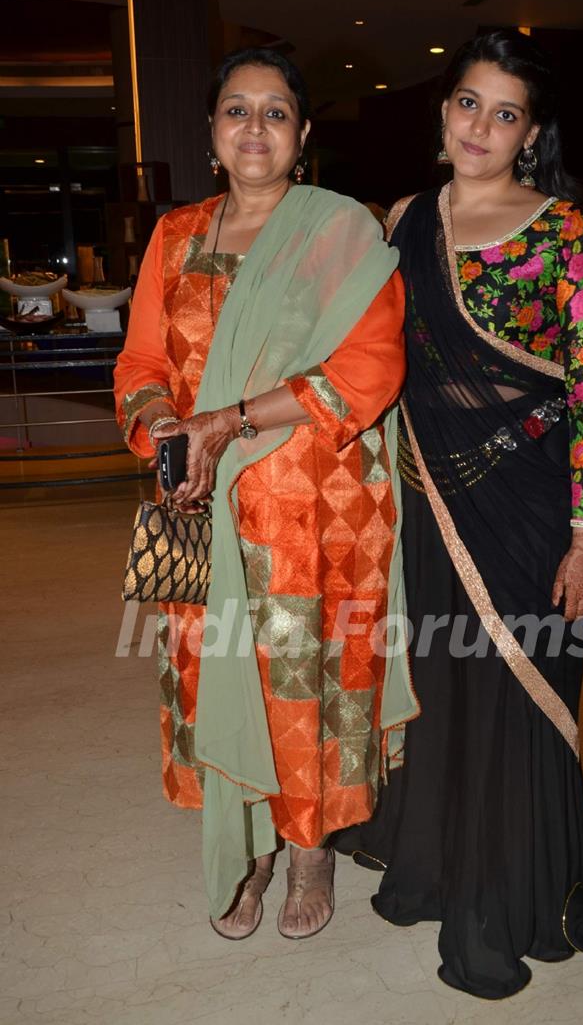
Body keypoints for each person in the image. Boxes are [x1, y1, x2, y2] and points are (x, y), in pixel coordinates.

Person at [333, 30, 583, 999]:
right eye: (468, 101)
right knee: (449, 688)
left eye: (505, 112)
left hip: (530, 508)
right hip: (430, 503)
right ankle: (443, 855)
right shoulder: (406, 218)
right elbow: (373, 352)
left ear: (531, 132)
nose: (481, 125)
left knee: (519, 693)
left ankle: (509, 896)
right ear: (442, 110)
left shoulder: (565, 233)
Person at [114, 48, 417, 941]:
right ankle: (245, 847)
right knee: (220, 676)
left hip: (318, 505)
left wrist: (229, 422)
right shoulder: (175, 237)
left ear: (304, 134)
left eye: (275, 112)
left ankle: (311, 842)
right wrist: (168, 426)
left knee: (307, 677)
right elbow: (140, 364)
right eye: (236, 111)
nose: (255, 127)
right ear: (212, 133)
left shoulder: (340, 232)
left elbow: (370, 366)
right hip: (203, 505)